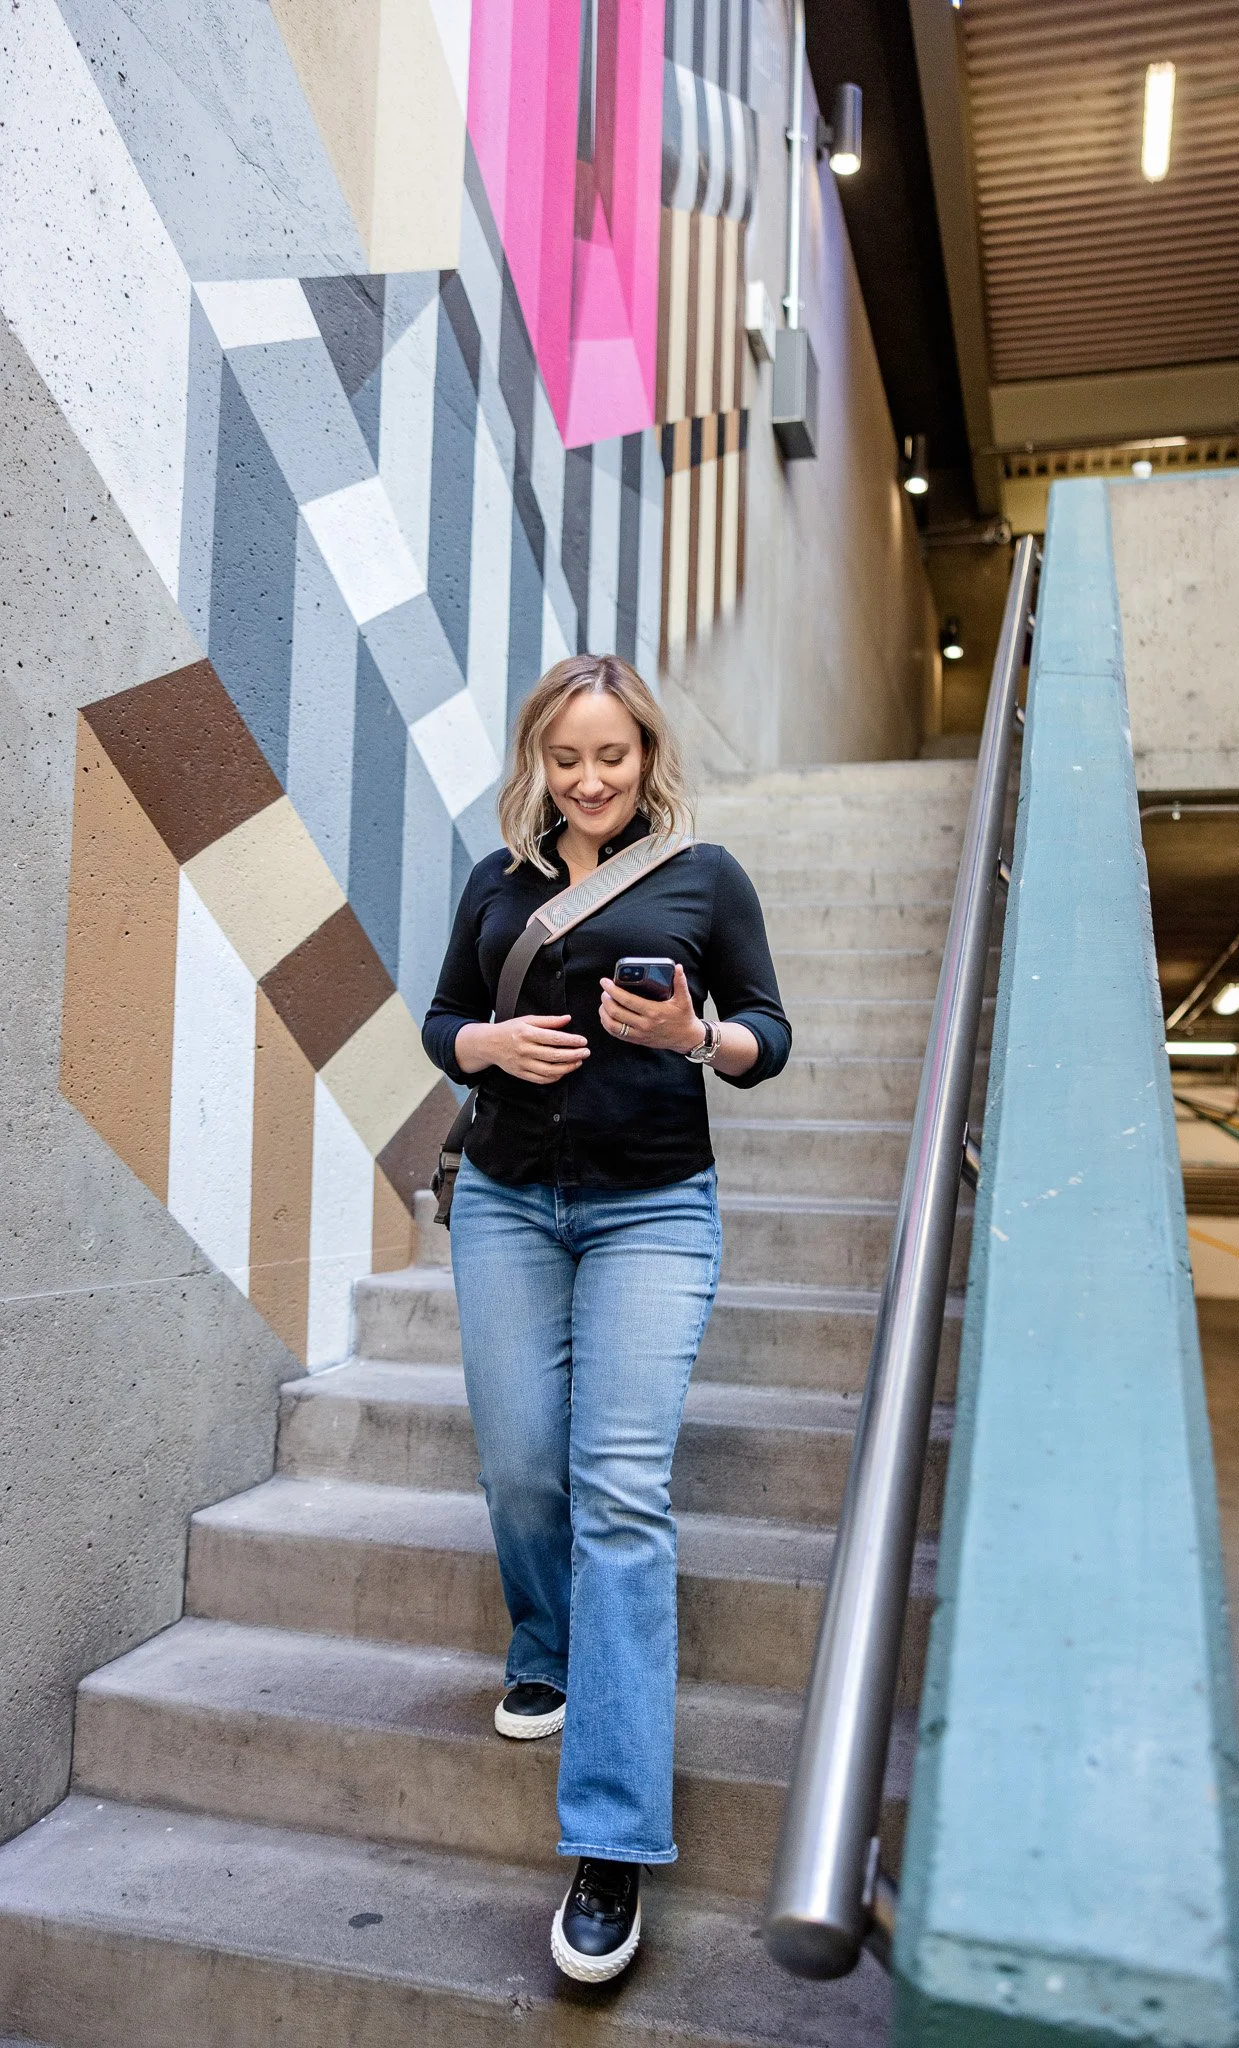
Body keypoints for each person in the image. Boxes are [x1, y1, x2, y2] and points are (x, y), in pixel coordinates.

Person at [422, 653, 790, 1983]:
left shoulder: (705, 879)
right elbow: (443, 1017)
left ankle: (612, 1842)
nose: (587, 781)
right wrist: (486, 1049)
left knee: (618, 1491)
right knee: (522, 1466)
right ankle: (541, 1641)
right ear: (538, 759)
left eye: (611, 758)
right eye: (565, 759)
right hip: (509, 1204)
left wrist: (695, 1034)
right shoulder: (499, 881)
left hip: (650, 1212)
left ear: (645, 759)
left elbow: (768, 1033)